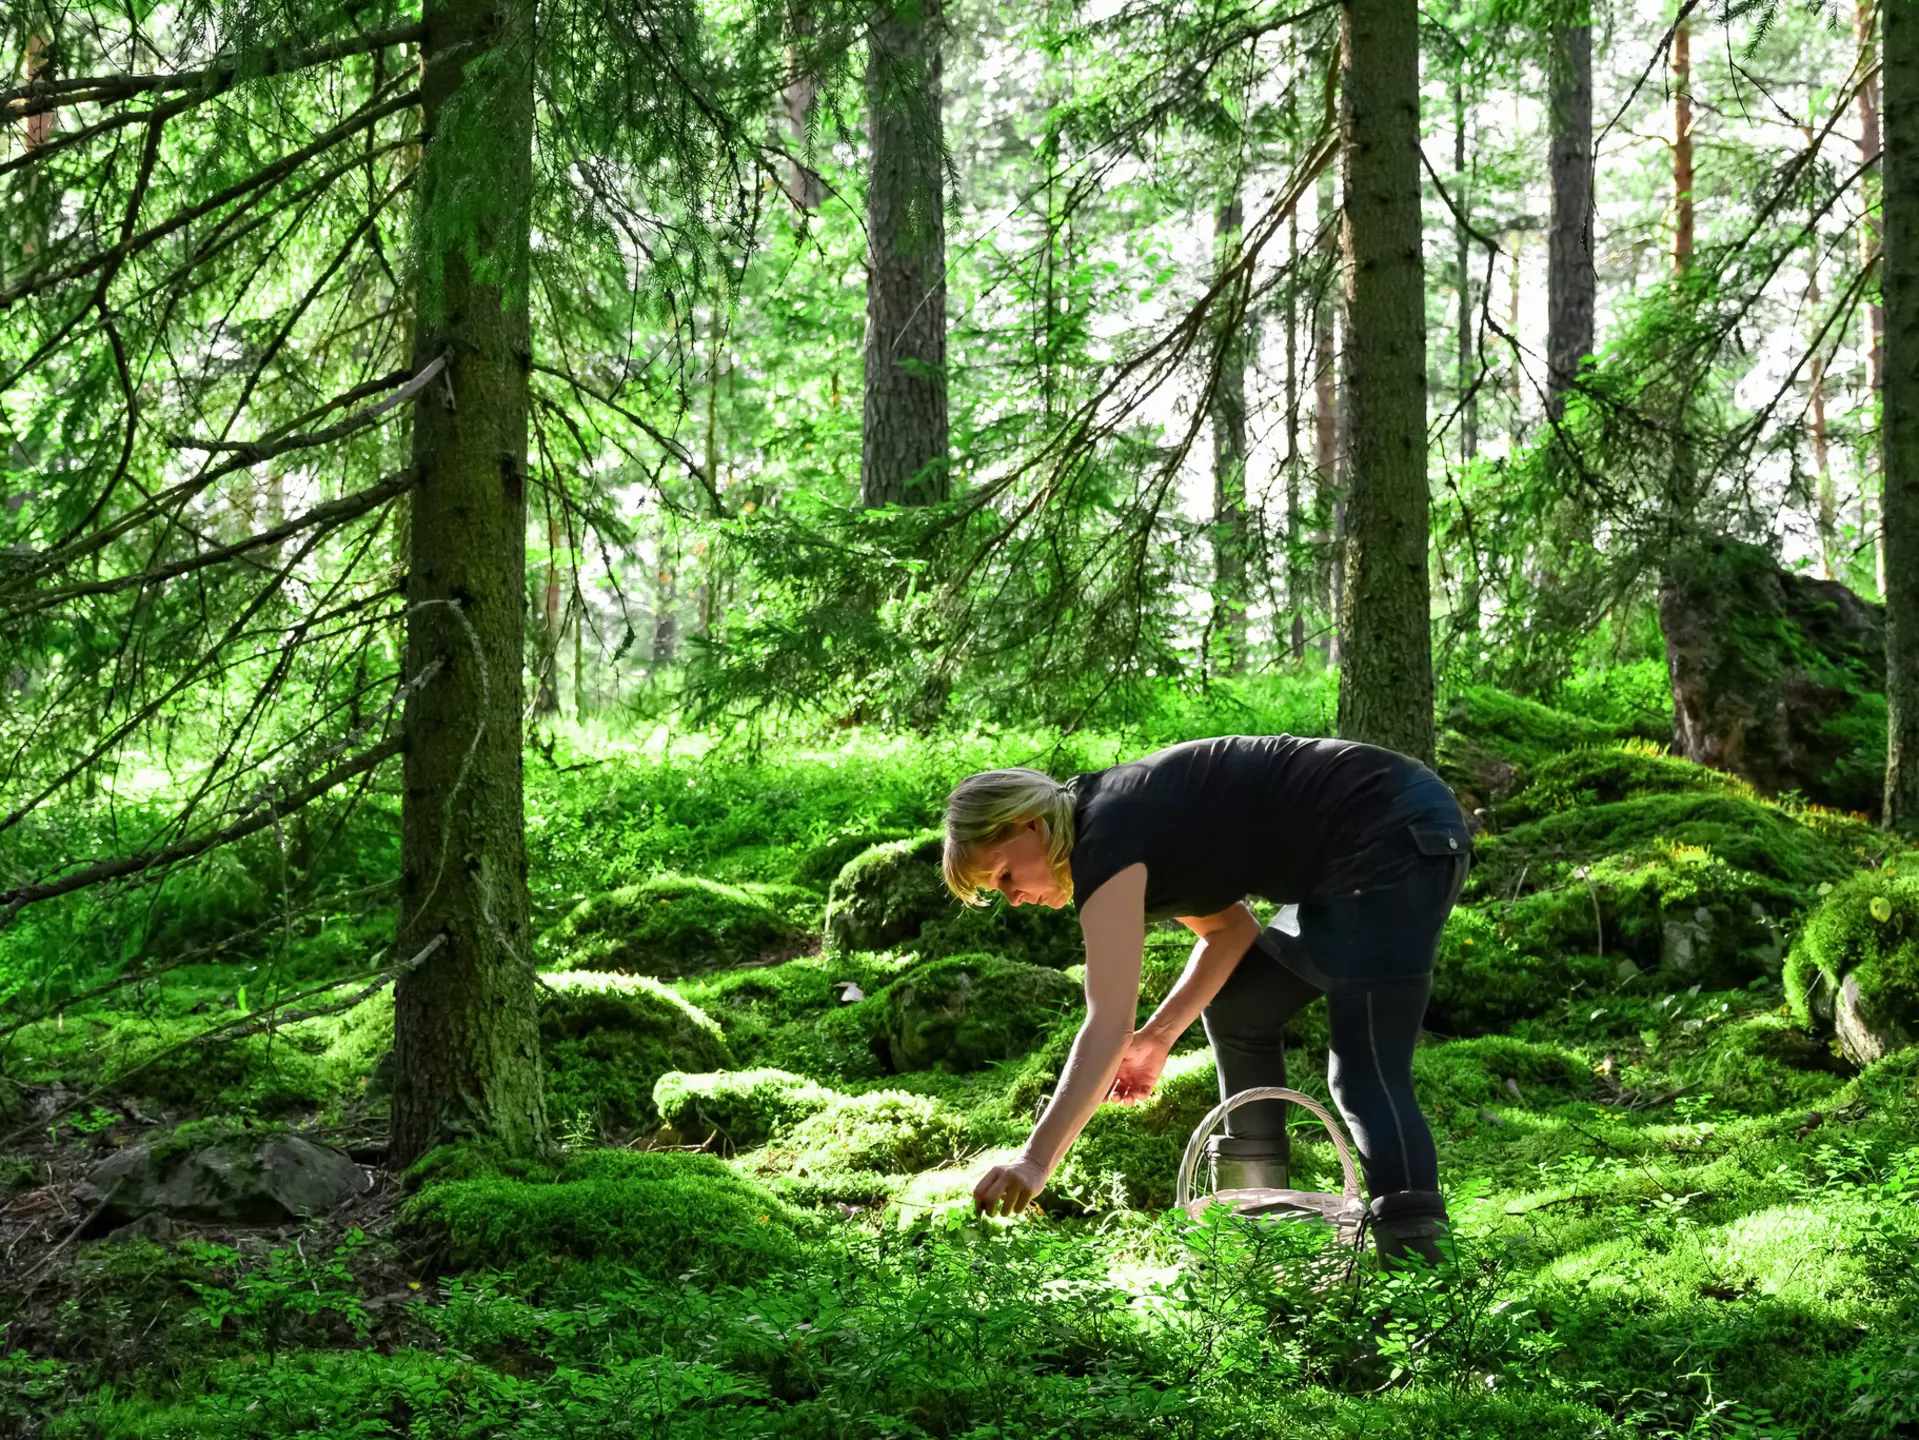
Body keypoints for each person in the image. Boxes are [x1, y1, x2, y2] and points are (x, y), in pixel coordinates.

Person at [942, 734, 1472, 1266]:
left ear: (1028, 823)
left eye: (1004, 874)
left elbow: (1106, 1026)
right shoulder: (1116, 823)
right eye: (996, 890)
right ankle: (1262, 1230)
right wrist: (1157, 1039)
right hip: (1370, 848)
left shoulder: (1104, 841)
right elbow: (1230, 931)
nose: (1011, 897)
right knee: (1243, 1006)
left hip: (1391, 836)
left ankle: (1423, 1283)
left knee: (1363, 1071)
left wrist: (1034, 1163)